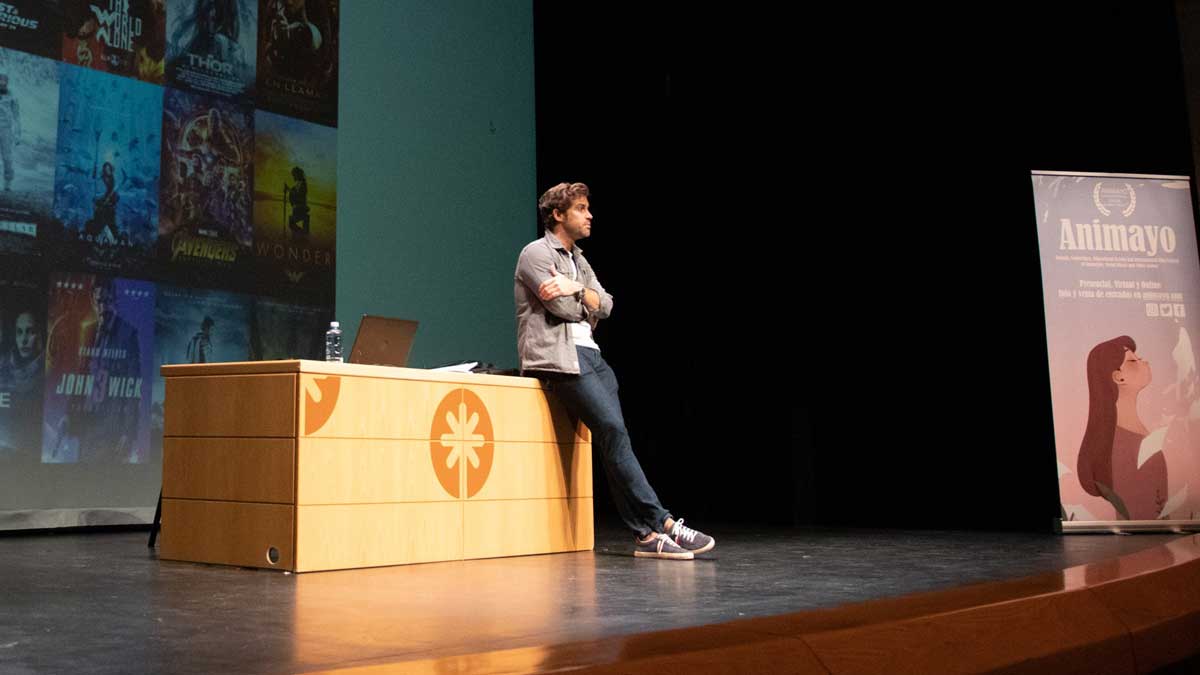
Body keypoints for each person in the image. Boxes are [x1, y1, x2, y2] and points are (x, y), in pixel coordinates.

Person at [514, 182, 715, 560]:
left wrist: (575, 287)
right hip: (561, 358)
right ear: (558, 215)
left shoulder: (578, 261)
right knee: (613, 431)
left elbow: (605, 305)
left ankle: (645, 537)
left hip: (594, 358)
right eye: (581, 208)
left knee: (614, 439)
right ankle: (664, 522)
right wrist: (584, 299)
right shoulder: (535, 254)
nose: (589, 215)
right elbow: (565, 311)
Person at [1077, 336, 1167, 520]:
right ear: (1119, 377)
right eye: (1134, 360)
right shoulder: (1122, 443)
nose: (1144, 362)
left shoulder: (1127, 434)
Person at [0, 73, 21, 191]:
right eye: (0, 81)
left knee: (7, 157)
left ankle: (7, 183)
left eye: (4, 81)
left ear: (7, 83)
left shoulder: (12, 96)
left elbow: (17, 116)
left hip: (6, 130)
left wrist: (18, 134)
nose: (2, 83)